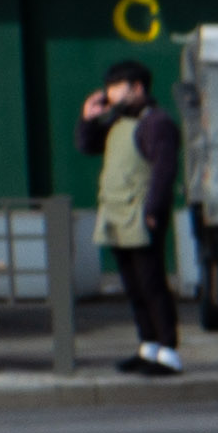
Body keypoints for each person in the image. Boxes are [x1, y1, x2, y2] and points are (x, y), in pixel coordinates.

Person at [78, 64, 184, 375]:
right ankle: (148, 345)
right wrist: (89, 119)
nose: (110, 94)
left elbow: (164, 171)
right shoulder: (117, 121)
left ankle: (168, 351)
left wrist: (153, 211)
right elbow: (87, 146)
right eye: (109, 87)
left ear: (138, 88)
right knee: (134, 286)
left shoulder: (157, 123)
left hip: (141, 215)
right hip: (116, 215)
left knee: (152, 285)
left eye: (118, 86)